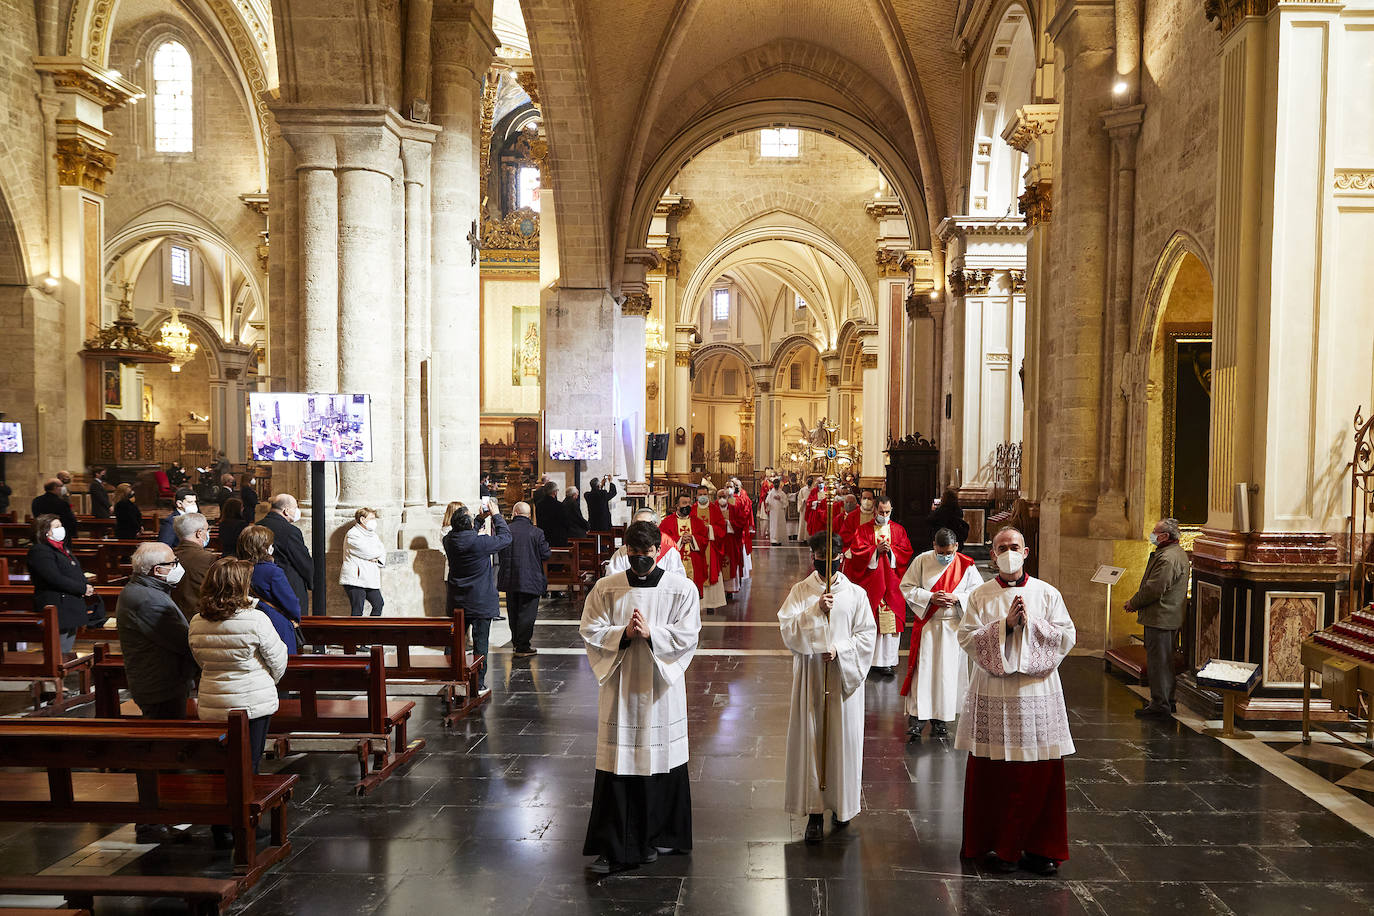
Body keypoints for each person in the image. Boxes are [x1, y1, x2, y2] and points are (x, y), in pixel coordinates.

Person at [579, 520, 701, 874]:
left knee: (662, 758)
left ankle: (664, 834)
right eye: (633, 554)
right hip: (622, 688)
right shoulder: (607, 588)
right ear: (626, 551)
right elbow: (589, 628)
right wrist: (622, 633)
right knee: (619, 763)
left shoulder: (682, 588)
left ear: (657, 551)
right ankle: (617, 842)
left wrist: (651, 635)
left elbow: (689, 634)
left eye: (646, 554)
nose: (640, 560)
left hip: (660, 689)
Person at [956, 526, 1075, 877]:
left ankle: (1041, 848)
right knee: (996, 773)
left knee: (1040, 773)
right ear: (993, 555)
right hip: (995, 691)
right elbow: (966, 637)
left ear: (1025, 553)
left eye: (1014, 546)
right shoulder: (980, 595)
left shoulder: (1047, 593)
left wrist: (1032, 625)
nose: (1008, 552)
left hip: (1037, 693)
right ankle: (998, 845)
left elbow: (1067, 635)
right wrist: (1003, 627)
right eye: (1001, 547)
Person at [778, 532, 876, 844]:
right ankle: (815, 812)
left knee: (842, 741)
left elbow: (866, 635)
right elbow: (788, 630)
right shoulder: (800, 591)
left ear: (841, 556)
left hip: (842, 679)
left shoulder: (856, 594)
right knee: (813, 740)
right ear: (813, 556)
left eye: (831, 556)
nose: (825, 562)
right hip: (811, 677)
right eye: (819, 556)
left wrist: (840, 650)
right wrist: (814, 611)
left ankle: (843, 806)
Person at [115, 541, 200, 843]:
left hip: (160, 680)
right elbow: (180, 640)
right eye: (173, 561)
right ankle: (151, 820)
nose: (178, 565)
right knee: (160, 751)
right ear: (158, 570)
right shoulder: (148, 600)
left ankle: (166, 810)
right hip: (161, 683)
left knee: (165, 748)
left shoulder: (146, 591)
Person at [188, 558, 287, 786]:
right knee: (249, 763)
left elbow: (200, 659)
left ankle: (221, 815)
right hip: (252, 702)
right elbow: (278, 659)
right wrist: (268, 680)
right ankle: (244, 816)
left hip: (214, 700)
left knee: (220, 763)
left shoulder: (197, 621)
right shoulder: (256, 620)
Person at [899, 528, 983, 738]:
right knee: (923, 673)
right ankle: (917, 718)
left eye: (949, 552)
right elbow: (907, 586)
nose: (945, 556)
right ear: (934, 546)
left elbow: (977, 593)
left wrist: (957, 598)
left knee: (947, 675)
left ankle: (941, 720)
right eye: (941, 552)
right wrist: (930, 597)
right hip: (929, 625)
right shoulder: (921, 561)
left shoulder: (966, 565)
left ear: (956, 547)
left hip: (953, 626)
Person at [1124, 518, 1190, 719]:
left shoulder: (1168, 558)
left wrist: (1133, 603)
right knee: (1164, 661)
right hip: (1165, 616)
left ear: (1165, 536)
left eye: (1155, 532)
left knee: (1158, 662)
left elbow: (1155, 588)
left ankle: (1160, 705)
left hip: (1161, 617)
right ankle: (1166, 701)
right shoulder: (1173, 553)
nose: (1152, 535)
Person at [842, 495, 914, 677]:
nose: (884, 515)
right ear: (875, 510)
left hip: (891, 583)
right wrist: (875, 551)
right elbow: (857, 552)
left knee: (891, 620)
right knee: (871, 619)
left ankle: (887, 662)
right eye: (881, 512)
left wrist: (892, 552)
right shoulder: (863, 530)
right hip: (872, 582)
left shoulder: (898, 530)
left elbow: (906, 551)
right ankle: (869, 660)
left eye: (887, 512)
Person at [444, 502, 512, 692]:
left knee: (454, 641)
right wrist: (497, 515)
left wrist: (479, 519)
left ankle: (449, 677)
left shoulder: (449, 540)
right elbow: (506, 538)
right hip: (480, 601)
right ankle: (477, 682)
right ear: (467, 524)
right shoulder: (480, 543)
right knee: (480, 644)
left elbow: (463, 532)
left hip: (457, 600)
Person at [28, 513, 101, 652]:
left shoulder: (62, 548)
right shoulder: (40, 551)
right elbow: (54, 577)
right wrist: (81, 588)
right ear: (45, 531)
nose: (61, 529)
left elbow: (73, 569)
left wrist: (86, 585)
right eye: (56, 526)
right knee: (58, 649)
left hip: (70, 604)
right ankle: (55, 671)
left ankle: (61, 669)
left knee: (67, 646)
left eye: (60, 526)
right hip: (57, 604)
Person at [237, 525, 301, 655]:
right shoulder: (272, 572)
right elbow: (290, 602)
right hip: (273, 622)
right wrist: (295, 617)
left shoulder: (235, 568)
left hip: (244, 622)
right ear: (264, 548)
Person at [497, 501, 551, 658]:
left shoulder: (506, 530)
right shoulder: (537, 532)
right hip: (530, 578)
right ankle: (523, 646)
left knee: (513, 612)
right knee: (527, 613)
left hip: (510, 577)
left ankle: (516, 642)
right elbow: (546, 554)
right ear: (529, 516)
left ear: (514, 514)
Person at [661, 492, 726, 614]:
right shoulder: (667, 522)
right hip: (675, 564)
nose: (688, 505)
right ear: (677, 506)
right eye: (684, 503)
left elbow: (704, 539)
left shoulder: (697, 522)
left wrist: (693, 539)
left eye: (689, 503)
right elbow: (663, 540)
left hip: (694, 562)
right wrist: (679, 540)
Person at [260, 493, 313, 616]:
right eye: (295, 508)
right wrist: (311, 580)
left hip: (261, 584)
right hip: (288, 585)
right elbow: (302, 561)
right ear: (286, 510)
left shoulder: (257, 526)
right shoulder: (290, 531)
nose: (297, 511)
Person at [609, 509, 686, 577]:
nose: (640, 529)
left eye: (645, 524)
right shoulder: (623, 552)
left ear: (655, 526)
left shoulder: (670, 553)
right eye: (636, 524)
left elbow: (678, 581)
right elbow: (612, 579)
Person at [340, 507, 386, 617]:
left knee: (378, 604)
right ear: (362, 519)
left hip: (369, 577)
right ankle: (356, 633)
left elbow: (383, 550)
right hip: (356, 579)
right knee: (357, 609)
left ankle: (372, 631)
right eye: (371, 518)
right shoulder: (353, 534)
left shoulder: (373, 535)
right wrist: (375, 554)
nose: (374, 522)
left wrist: (378, 557)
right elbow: (368, 552)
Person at [171, 513, 218, 621]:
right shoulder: (209, 559)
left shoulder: (169, 556)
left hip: (172, 617)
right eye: (207, 530)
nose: (207, 533)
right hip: (200, 618)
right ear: (199, 533)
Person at [31, 479, 77, 548]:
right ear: (55, 487)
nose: (63, 488)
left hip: (41, 535)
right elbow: (70, 521)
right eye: (61, 486)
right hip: (59, 537)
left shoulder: (36, 501)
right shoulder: (62, 503)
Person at [765, 478, 788, 546]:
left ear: (779, 484)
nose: (776, 484)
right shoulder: (771, 493)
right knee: (773, 526)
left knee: (779, 525)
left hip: (780, 512)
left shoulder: (782, 493)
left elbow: (786, 503)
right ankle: (773, 540)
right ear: (773, 484)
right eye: (775, 483)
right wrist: (767, 504)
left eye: (777, 483)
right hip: (773, 512)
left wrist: (780, 499)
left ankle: (779, 539)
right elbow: (767, 501)